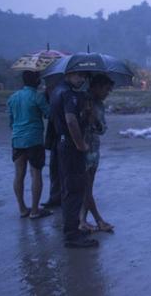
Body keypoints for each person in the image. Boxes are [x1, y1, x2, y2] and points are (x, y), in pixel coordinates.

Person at [50, 71, 98, 248]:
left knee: (68, 189)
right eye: (79, 75)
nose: (82, 79)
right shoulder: (68, 94)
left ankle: (72, 230)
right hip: (70, 147)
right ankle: (72, 235)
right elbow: (70, 121)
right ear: (68, 74)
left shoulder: (57, 91)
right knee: (74, 190)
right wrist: (81, 145)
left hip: (62, 144)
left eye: (84, 76)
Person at [8, 71, 52, 219]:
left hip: (17, 140)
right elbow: (49, 114)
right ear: (37, 80)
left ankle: (22, 208)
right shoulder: (37, 97)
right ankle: (34, 210)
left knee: (19, 174)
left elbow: (11, 122)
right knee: (36, 173)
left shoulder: (13, 97)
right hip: (34, 140)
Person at [78, 74, 115, 232]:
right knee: (86, 189)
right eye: (106, 90)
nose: (108, 93)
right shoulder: (81, 100)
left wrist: (95, 121)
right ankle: (99, 220)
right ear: (97, 87)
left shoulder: (99, 105)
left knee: (89, 188)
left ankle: (82, 220)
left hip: (94, 150)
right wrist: (86, 117)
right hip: (82, 150)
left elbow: (102, 129)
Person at [41, 82, 62, 208]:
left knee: (63, 168)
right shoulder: (50, 90)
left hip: (62, 134)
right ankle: (55, 197)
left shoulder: (67, 90)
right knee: (54, 168)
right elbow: (46, 112)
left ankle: (60, 197)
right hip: (55, 134)